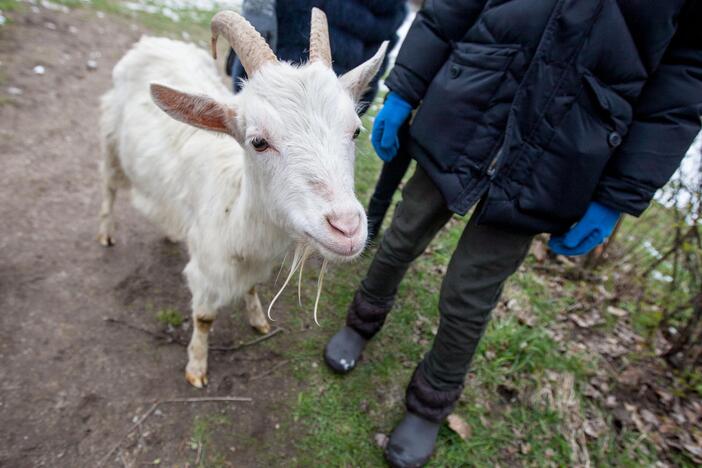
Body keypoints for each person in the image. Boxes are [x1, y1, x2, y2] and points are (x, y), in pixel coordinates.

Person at [323, 1, 702, 466]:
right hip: (470, 101)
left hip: (563, 148)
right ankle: (361, 321)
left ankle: (431, 400)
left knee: (470, 293)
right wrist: (408, 84)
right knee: (403, 233)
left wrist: (617, 195)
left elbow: (683, 83)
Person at [226, 0, 407, 115]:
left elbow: (382, 33)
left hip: (330, 93)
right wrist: (257, 12)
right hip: (274, 73)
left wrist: (357, 93)